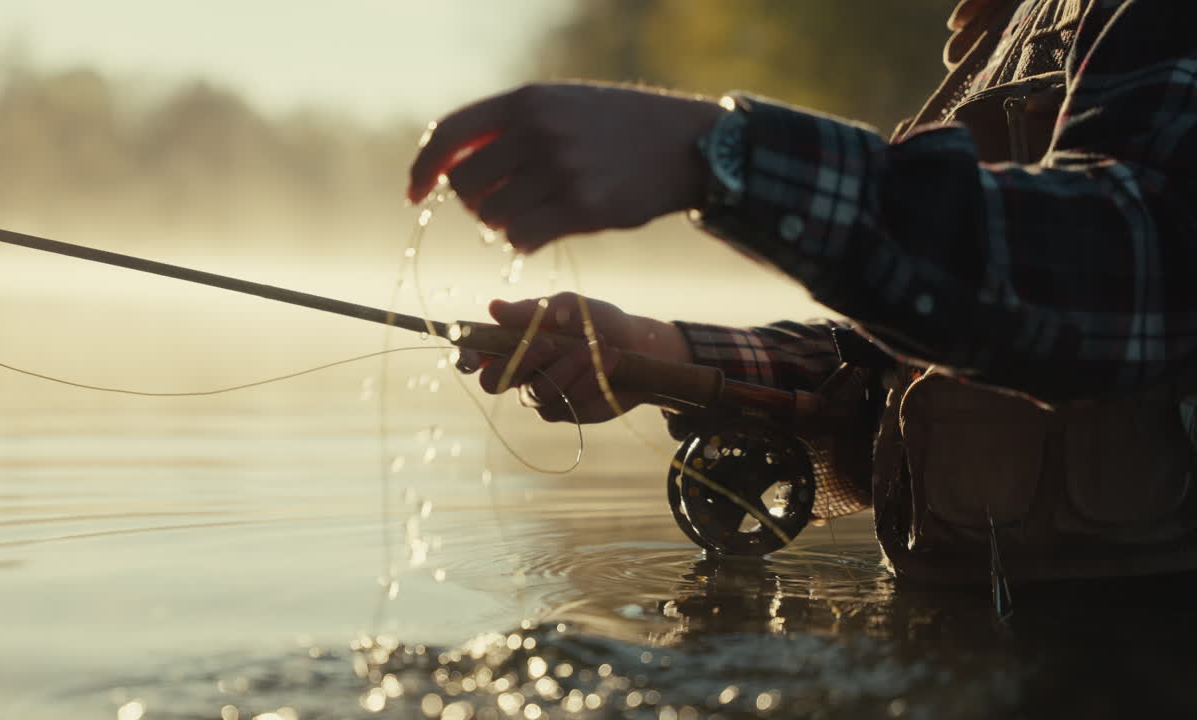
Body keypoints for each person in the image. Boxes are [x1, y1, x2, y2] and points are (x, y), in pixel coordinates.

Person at [407, 0, 1197, 583]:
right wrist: (658, 353)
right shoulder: (1008, 33)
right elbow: (919, 361)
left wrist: (719, 155)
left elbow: (1141, 276)